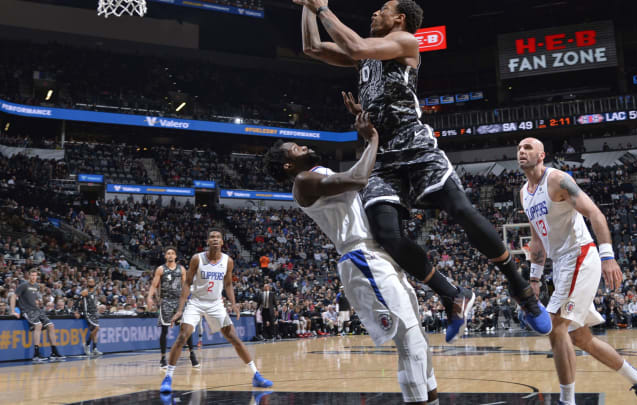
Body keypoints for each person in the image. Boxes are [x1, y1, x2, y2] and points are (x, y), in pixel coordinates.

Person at [294, 0, 549, 341]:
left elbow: (354, 45)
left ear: (399, 19)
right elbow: (311, 47)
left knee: (461, 209)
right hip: (382, 155)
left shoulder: (405, 43)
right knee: (387, 235)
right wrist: (307, 9)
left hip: (415, 145)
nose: (374, 13)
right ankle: (453, 295)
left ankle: (521, 288)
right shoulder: (367, 57)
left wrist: (322, 8)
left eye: (381, 9)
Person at [263, 112, 438, 405]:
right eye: (295, 147)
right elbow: (358, 178)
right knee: (409, 341)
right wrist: (372, 138)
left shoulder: (319, 172)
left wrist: (368, 121)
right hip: (360, 255)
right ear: (288, 164)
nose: (303, 146)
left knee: (416, 336)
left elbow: (359, 173)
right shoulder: (304, 181)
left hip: (373, 253)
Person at [517, 137, 637, 405]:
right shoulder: (524, 193)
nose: (521, 152)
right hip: (561, 265)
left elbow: (596, 214)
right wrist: (534, 277)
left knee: (555, 325)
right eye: (519, 149)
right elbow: (537, 240)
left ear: (541, 155)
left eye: (527, 148)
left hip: (581, 254)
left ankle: (566, 401)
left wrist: (608, 257)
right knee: (581, 338)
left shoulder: (558, 180)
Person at [160, 230, 272, 393]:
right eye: (212, 237)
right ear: (207, 241)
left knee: (233, 337)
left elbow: (228, 285)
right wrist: (180, 309)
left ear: (222, 242)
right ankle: (168, 377)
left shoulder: (228, 261)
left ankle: (256, 375)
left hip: (215, 303)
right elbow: (187, 283)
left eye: (218, 237)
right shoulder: (197, 258)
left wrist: (233, 303)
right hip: (196, 301)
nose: (214, 239)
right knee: (183, 336)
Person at [147, 247, 199, 369]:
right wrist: (149, 297)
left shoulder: (181, 269)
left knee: (186, 329)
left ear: (175, 256)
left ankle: (192, 355)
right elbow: (154, 285)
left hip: (179, 302)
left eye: (172, 253)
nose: (170, 255)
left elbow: (186, 285)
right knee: (164, 331)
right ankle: (163, 358)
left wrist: (190, 298)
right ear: (165, 256)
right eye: (168, 253)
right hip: (166, 302)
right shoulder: (160, 269)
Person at [9, 270, 66, 362]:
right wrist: (13, 311)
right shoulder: (23, 285)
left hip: (36, 310)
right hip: (27, 310)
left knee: (51, 325)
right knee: (38, 325)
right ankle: (36, 354)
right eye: (32, 275)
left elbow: (32, 298)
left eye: (35, 275)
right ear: (28, 276)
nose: (33, 277)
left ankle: (54, 352)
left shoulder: (36, 286)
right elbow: (13, 296)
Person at [74, 277, 103, 356]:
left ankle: (94, 349)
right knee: (97, 328)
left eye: (92, 282)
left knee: (94, 332)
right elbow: (77, 301)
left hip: (94, 312)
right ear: (87, 283)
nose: (91, 283)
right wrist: (76, 311)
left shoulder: (95, 291)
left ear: (94, 283)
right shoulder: (85, 292)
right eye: (89, 282)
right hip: (88, 313)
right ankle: (87, 344)